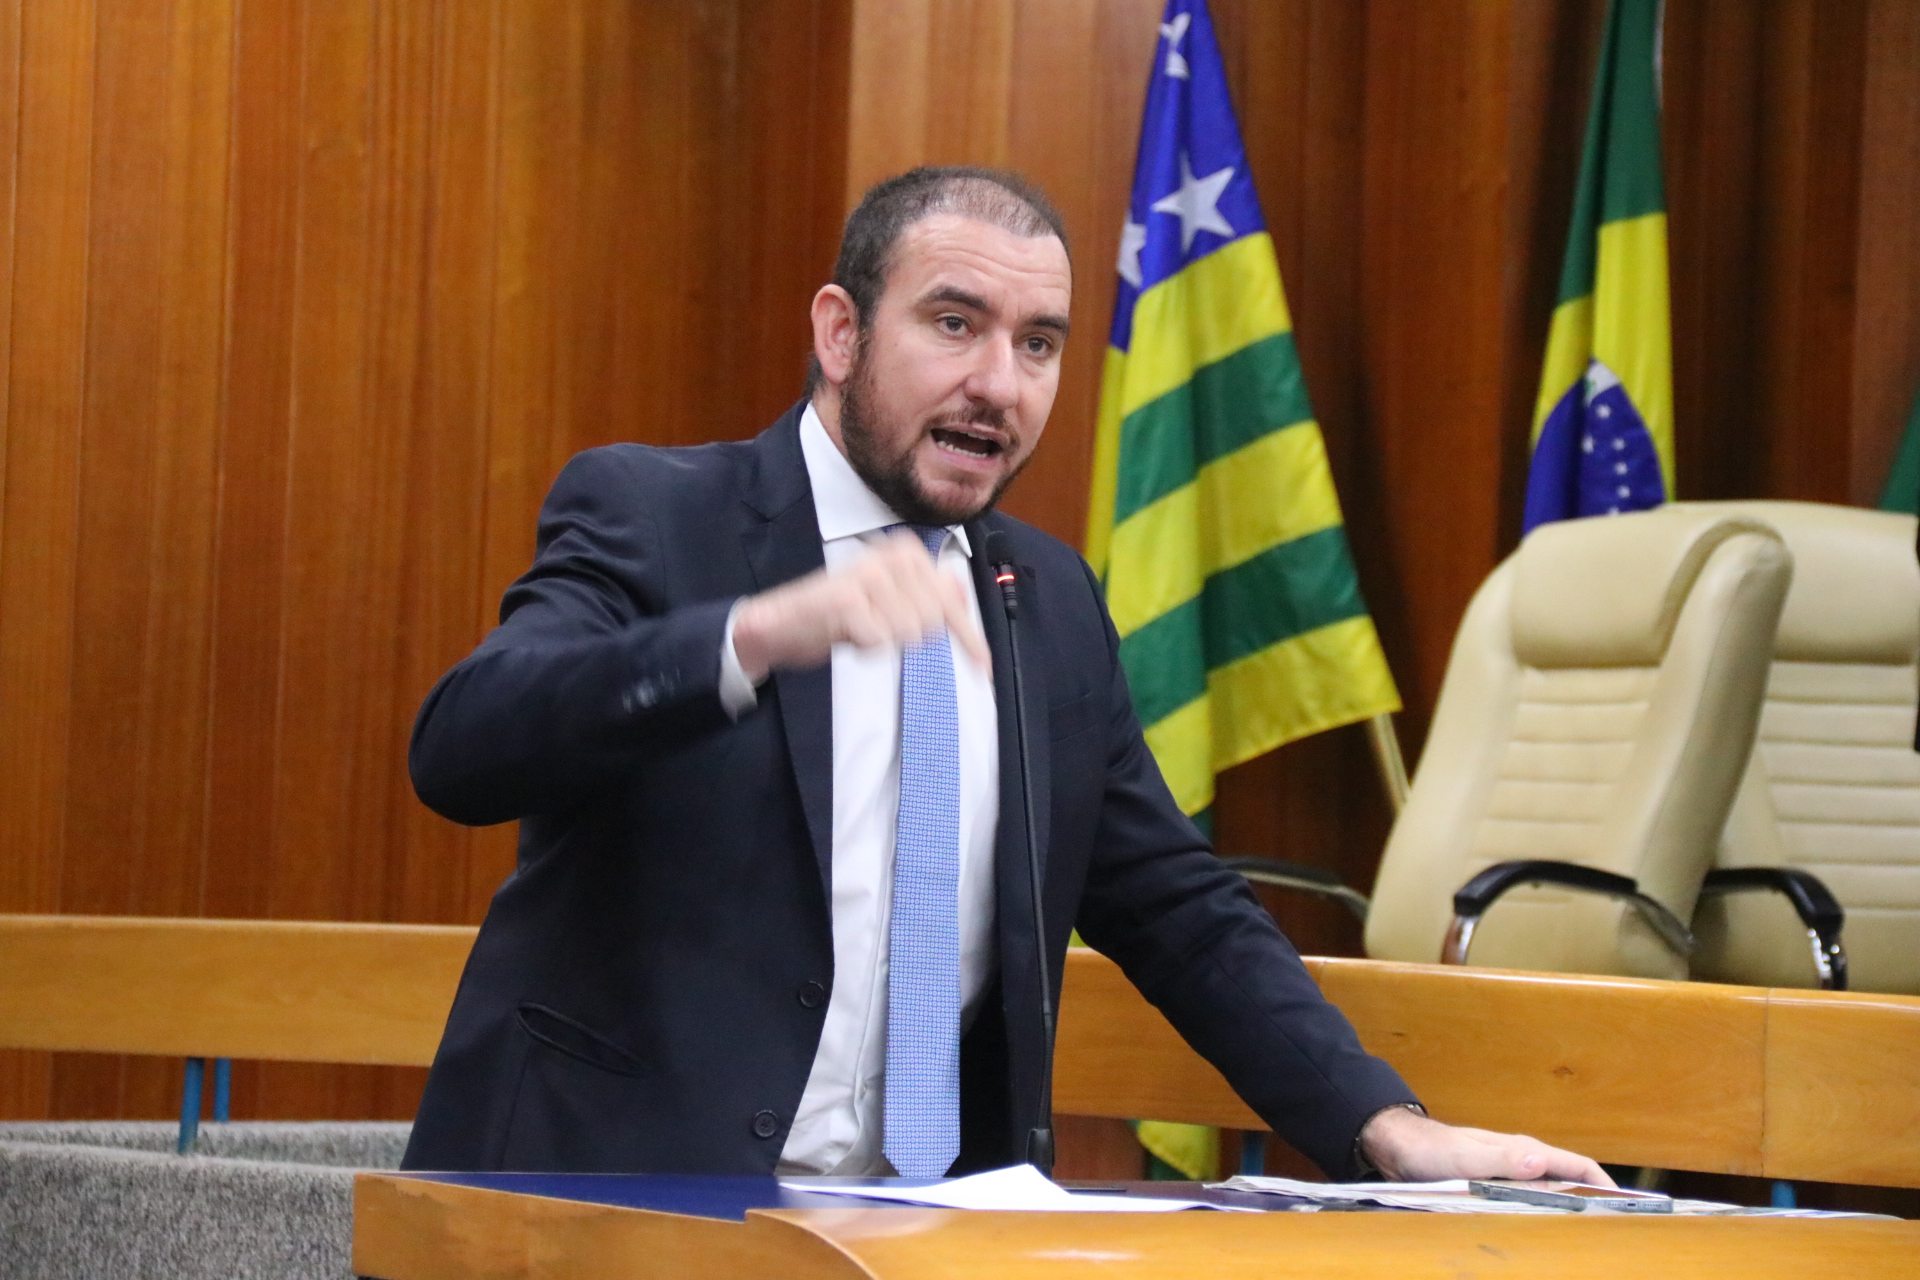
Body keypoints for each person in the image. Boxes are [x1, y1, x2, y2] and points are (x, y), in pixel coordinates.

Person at [402, 166, 1611, 1187]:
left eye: (1037, 344)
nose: (1000, 383)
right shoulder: (656, 512)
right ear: (840, 332)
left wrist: (1386, 1125)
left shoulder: (1052, 599)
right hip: (602, 1205)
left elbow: (1178, 908)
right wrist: (753, 636)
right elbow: (463, 746)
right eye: (954, 323)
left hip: (917, 1227)